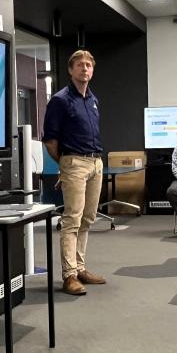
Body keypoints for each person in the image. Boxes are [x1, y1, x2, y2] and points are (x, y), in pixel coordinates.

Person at [42, 50, 108, 296]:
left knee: (88, 219)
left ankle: (80, 268)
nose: (85, 69)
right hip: (74, 163)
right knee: (71, 220)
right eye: (80, 65)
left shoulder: (92, 99)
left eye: (89, 65)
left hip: (95, 163)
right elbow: (50, 140)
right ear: (71, 70)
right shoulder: (60, 100)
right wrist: (67, 164)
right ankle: (69, 275)